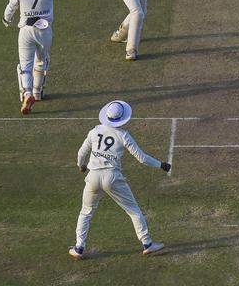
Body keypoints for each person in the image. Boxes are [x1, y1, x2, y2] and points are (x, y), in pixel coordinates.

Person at [69, 99, 170, 260]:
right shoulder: (123, 135)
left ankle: (79, 247)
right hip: (112, 177)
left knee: (86, 212)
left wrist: (81, 166)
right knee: (133, 210)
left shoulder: (94, 131)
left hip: (93, 177)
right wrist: (161, 165)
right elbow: (142, 158)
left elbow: (81, 153)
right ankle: (147, 244)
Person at [3, 0, 75, 113]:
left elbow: (11, 7)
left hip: (26, 30)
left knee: (25, 65)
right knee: (42, 61)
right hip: (44, 30)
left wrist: (6, 19)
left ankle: (27, 93)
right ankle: (37, 92)